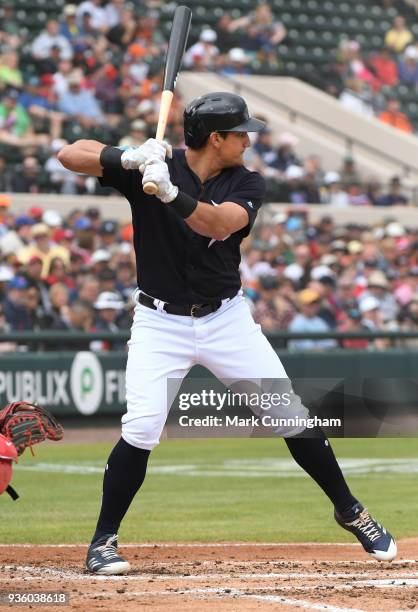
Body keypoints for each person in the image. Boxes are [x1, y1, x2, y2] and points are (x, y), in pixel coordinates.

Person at [59, 90, 396, 575]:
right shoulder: (154, 162)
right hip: (159, 321)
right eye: (240, 133)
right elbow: (69, 154)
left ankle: (351, 511)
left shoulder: (247, 181)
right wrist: (127, 157)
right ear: (215, 138)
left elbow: (217, 224)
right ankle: (103, 541)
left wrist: (172, 193)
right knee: (142, 426)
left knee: (288, 414)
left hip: (225, 320)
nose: (248, 141)